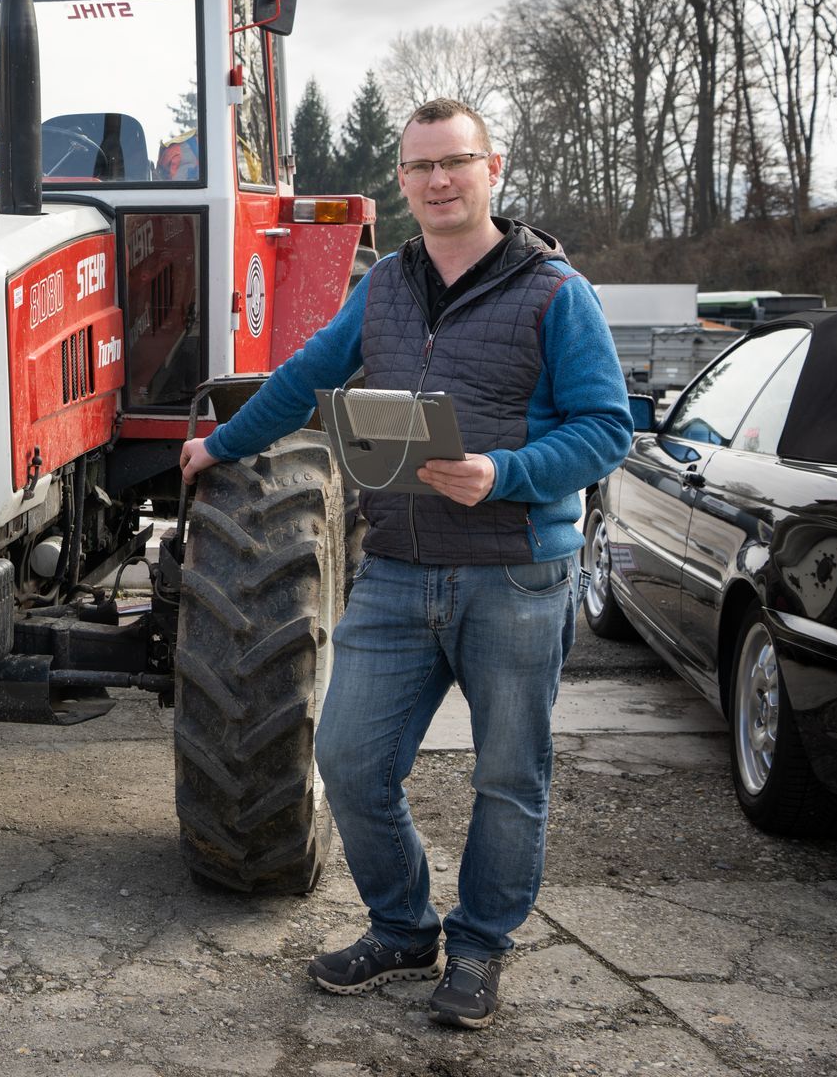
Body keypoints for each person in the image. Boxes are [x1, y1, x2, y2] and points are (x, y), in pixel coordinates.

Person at [180, 98, 631, 1028]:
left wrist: (505, 473)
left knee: (508, 776)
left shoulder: (557, 293)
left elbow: (607, 430)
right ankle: (401, 925)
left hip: (514, 571)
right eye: (420, 167)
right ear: (405, 178)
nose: (437, 182)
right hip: (396, 569)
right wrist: (224, 444)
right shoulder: (383, 286)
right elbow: (306, 376)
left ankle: (476, 951)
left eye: (455, 163)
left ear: (492, 167)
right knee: (347, 759)